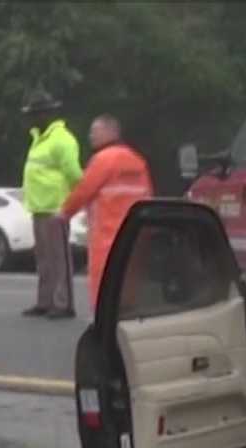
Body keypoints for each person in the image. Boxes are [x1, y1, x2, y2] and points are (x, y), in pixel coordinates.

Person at [59, 114, 154, 311]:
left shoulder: (103, 160)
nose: (90, 136)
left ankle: (104, 323)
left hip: (107, 235)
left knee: (103, 282)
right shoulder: (137, 161)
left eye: (95, 131)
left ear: (110, 132)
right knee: (129, 280)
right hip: (135, 234)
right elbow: (148, 195)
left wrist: (65, 213)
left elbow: (84, 190)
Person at [20, 89, 82, 319]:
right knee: (44, 260)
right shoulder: (38, 139)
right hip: (38, 208)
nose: (32, 118)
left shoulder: (62, 139)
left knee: (59, 259)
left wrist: (72, 202)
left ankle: (63, 304)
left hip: (56, 208)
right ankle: (45, 302)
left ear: (47, 114)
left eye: (35, 114)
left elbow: (75, 174)